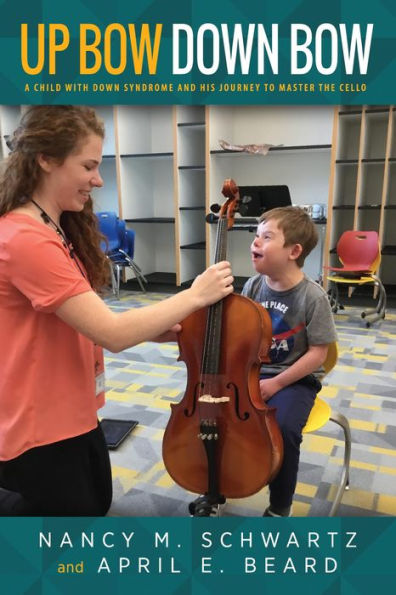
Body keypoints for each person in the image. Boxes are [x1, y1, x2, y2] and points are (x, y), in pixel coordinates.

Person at [0, 105, 233, 516]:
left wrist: (149, 325)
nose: (98, 178)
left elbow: (78, 319)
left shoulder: (53, 227)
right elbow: (112, 332)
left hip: (72, 408)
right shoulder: (25, 237)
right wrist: (196, 294)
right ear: (46, 160)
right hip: (39, 423)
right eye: (88, 165)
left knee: (93, 506)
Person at [242, 206, 337, 517]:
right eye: (256, 236)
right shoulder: (252, 287)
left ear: (294, 251)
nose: (256, 242)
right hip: (253, 372)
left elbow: (318, 353)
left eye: (266, 237)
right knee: (214, 413)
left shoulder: (313, 297)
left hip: (294, 379)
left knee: (282, 430)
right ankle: (219, 483)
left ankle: (280, 506)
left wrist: (277, 383)